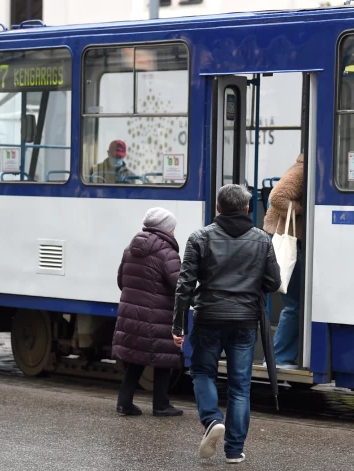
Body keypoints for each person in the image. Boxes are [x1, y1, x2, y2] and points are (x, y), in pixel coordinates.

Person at [172, 184, 281, 464]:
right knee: (240, 385)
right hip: (245, 320)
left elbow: (184, 285)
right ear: (247, 208)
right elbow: (274, 282)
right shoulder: (262, 239)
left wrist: (178, 326)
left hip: (208, 317)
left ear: (218, 207)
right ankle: (234, 450)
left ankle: (211, 419)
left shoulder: (199, 237)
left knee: (202, 372)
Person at [113, 207, 183, 417]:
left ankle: (124, 403)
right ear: (166, 230)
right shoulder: (167, 253)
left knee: (135, 358)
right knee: (164, 358)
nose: (173, 233)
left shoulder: (130, 248)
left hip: (131, 314)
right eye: (172, 229)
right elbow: (178, 284)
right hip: (158, 315)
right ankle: (161, 405)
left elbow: (121, 281)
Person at [263, 153, 304, 369]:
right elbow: (277, 196)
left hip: (292, 239)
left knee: (295, 302)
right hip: (290, 240)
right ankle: (279, 357)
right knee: (295, 303)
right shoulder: (301, 170)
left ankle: (281, 356)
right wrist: (303, 212)